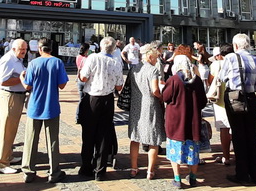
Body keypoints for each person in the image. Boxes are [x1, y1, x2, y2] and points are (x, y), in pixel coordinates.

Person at [20, 38, 68, 183]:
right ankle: (54, 172)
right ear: (51, 49)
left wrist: (22, 78)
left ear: (40, 49)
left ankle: (28, 171)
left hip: (35, 106)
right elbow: (62, 85)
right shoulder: (57, 62)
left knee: (31, 139)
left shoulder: (33, 63)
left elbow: (27, 86)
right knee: (52, 140)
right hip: (51, 106)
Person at [78, 36, 125, 180]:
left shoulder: (93, 58)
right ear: (114, 48)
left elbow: (84, 78)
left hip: (92, 97)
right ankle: (100, 170)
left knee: (88, 133)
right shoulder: (116, 62)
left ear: (100, 46)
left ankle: (86, 167)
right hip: (108, 99)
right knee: (104, 134)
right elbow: (119, 86)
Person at [220, 34, 256, 186]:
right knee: (252, 135)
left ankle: (242, 174)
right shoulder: (255, 59)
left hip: (235, 97)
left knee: (238, 135)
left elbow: (221, 77)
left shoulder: (231, 58)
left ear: (235, 45)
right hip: (251, 98)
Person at [163, 59, 208, 188]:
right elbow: (203, 101)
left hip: (176, 121)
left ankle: (177, 178)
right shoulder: (197, 81)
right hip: (193, 121)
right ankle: (193, 177)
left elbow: (165, 97)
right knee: (193, 149)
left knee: (174, 149)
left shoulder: (173, 80)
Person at [128, 46, 165, 179]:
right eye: (156, 58)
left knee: (135, 137)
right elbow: (155, 90)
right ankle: (150, 170)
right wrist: (161, 96)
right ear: (150, 57)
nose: (156, 60)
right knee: (153, 138)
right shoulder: (152, 70)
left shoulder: (134, 68)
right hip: (150, 104)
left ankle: (133, 168)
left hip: (136, 104)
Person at [0, 39, 28, 173]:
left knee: (12, 129)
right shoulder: (8, 60)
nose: (24, 52)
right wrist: (21, 78)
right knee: (6, 129)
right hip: (10, 96)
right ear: (14, 49)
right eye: (22, 50)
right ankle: (2, 163)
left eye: (25, 49)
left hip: (17, 96)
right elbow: (3, 81)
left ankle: (8, 155)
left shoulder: (17, 60)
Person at [210, 46, 233, 166]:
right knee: (236, 127)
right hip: (236, 98)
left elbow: (211, 80)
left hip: (221, 100)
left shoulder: (216, 65)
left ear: (219, 55)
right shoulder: (236, 61)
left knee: (224, 128)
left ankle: (226, 156)